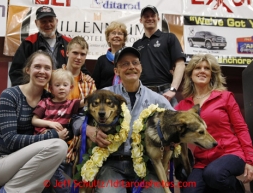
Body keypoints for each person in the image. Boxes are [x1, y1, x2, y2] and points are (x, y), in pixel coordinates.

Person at [72, 47, 174, 193]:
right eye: (125, 64)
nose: (131, 67)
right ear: (116, 71)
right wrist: (87, 129)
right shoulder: (104, 94)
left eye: (135, 63)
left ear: (141, 68)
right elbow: (76, 118)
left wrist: (174, 137)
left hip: (147, 165)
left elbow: (177, 122)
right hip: (112, 163)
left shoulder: (157, 99)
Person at [0, 50, 69, 193]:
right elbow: (11, 140)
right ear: (28, 70)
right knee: (58, 145)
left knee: (68, 183)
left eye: (47, 68)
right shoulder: (10, 95)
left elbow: (71, 113)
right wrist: (52, 136)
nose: (42, 71)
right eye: (37, 66)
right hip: (3, 163)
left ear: (52, 73)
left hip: (32, 163)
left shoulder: (50, 99)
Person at [175, 53, 253, 193]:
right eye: (198, 68)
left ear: (212, 75)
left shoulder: (225, 97)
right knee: (189, 190)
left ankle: (237, 188)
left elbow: (241, 129)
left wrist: (250, 160)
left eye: (207, 68)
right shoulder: (182, 105)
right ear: (191, 74)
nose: (202, 71)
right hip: (202, 161)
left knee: (214, 175)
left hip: (231, 153)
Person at [9, 6, 89, 86]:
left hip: (63, 92)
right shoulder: (28, 43)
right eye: (43, 21)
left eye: (51, 21)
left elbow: (81, 68)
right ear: (36, 23)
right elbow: (16, 72)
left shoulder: (69, 43)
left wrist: (87, 77)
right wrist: (28, 90)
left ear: (56, 21)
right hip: (37, 91)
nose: (48, 24)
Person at [32, 68, 84, 193]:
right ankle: (66, 189)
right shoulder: (45, 102)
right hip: (41, 141)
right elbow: (34, 120)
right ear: (50, 88)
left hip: (59, 145)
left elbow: (86, 101)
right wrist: (50, 123)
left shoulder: (71, 104)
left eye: (65, 85)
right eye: (57, 85)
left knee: (55, 168)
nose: (61, 88)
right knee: (50, 169)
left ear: (71, 87)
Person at [132, 5, 186, 107]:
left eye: (153, 15)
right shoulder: (136, 45)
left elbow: (180, 64)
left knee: (174, 122)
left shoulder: (169, 38)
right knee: (139, 123)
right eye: (146, 16)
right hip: (143, 92)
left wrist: (173, 89)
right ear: (141, 20)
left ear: (158, 18)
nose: (150, 18)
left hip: (165, 93)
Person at [92, 21, 128, 89]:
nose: (116, 36)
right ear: (108, 38)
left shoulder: (129, 59)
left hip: (125, 97)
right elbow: (95, 84)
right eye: (113, 33)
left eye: (120, 33)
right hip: (104, 97)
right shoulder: (101, 60)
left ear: (124, 39)